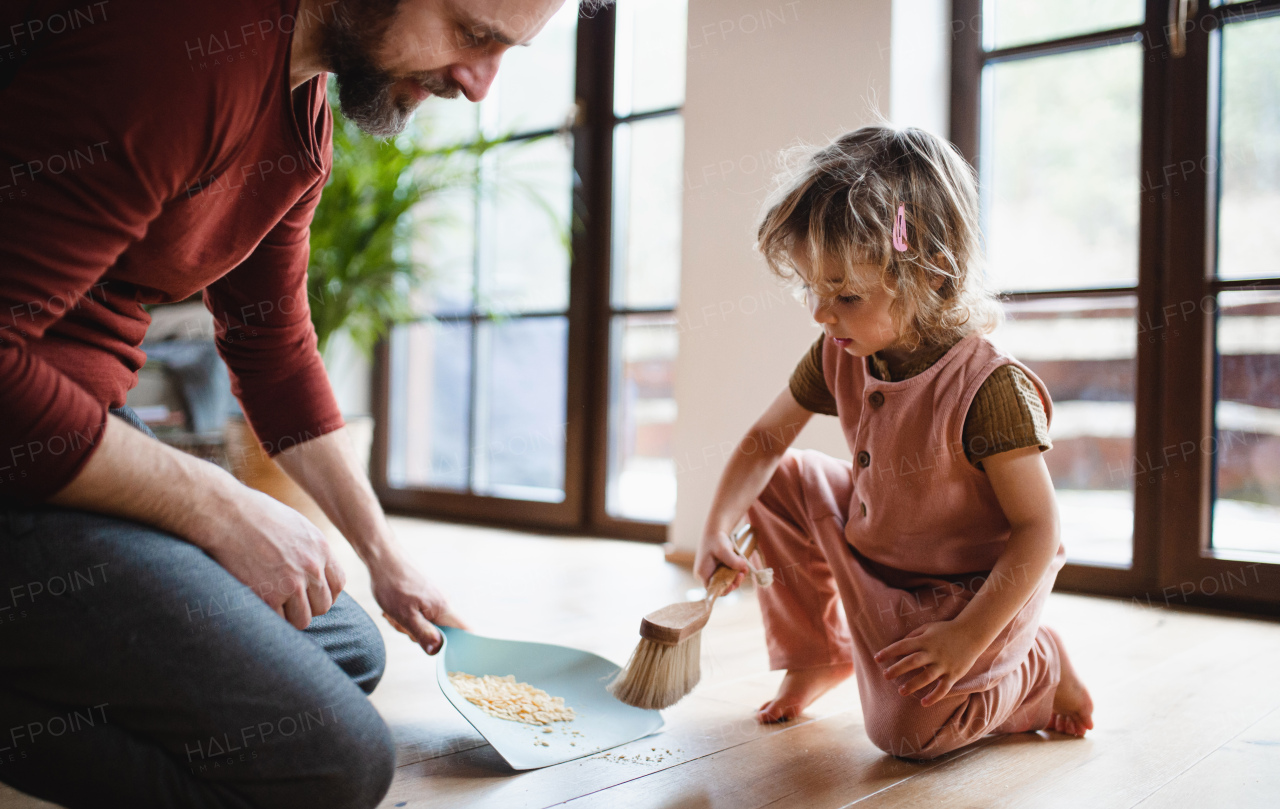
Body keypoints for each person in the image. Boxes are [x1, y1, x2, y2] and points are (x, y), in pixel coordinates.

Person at [0, 0, 567, 806]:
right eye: (473, 34)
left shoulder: (300, 112)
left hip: (68, 421)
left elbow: (275, 353)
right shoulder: (179, 51)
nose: (478, 85)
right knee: (330, 764)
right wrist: (218, 505)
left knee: (344, 644)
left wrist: (385, 557)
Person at [694, 125, 1095, 760]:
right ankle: (818, 655)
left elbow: (1039, 533)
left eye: (845, 295)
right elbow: (768, 437)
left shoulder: (989, 387)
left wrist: (965, 638)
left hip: (969, 595)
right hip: (873, 549)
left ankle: (1036, 670)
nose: (821, 314)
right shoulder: (842, 348)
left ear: (933, 277)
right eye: (811, 288)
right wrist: (714, 525)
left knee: (906, 733)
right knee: (777, 475)